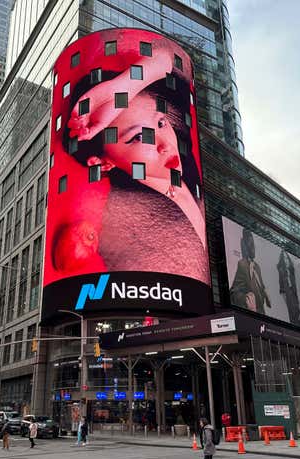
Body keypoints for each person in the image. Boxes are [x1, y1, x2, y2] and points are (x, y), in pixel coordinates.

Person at [48, 37, 210, 288]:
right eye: (137, 137)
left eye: (159, 123)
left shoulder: (184, 154)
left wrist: (123, 87)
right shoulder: (123, 223)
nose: (165, 143)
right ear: (104, 163)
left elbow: (170, 59)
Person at [230, 228, 271, 314]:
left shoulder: (257, 266)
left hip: (262, 312)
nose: (253, 248)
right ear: (245, 245)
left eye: (253, 244)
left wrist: (265, 292)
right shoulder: (242, 265)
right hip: (253, 313)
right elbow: (234, 292)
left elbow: (261, 286)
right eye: (250, 244)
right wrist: (246, 299)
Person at [277, 250, 300, 325]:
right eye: (283, 259)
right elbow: (281, 289)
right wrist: (286, 300)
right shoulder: (281, 271)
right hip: (289, 295)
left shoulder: (293, 270)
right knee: (293, 316)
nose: (285, 261)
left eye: (286, 258)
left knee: (299, 316)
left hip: (297, 294)